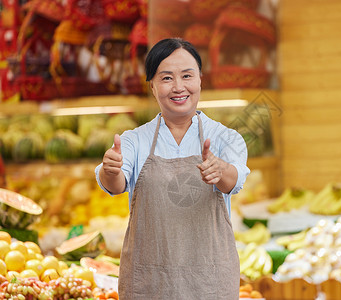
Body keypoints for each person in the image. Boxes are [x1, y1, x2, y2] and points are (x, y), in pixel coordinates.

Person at [95, 38, 250, 299]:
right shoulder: (135, 140)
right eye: (166, 78)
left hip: (209, 282)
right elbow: (116, 184)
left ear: (200, 80)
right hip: (149, 282)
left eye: (187, 76)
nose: (178, 87)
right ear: (153, 86)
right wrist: (110, 170)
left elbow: (235, 180)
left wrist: (220, 171)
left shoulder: (226, 138)